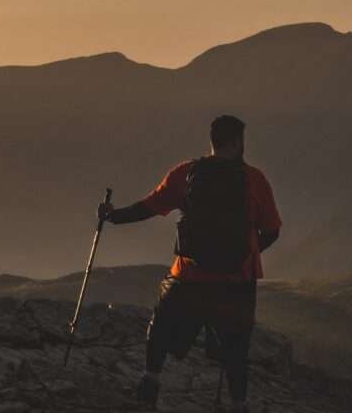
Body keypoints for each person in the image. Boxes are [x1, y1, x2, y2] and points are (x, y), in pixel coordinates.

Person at [98, 114, 282, 412]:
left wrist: (112, 216)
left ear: (213, 141)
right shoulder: (254, 180)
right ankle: (238, 405)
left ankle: (150, 383)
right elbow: (272, 230)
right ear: (238, 142)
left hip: (189, 276)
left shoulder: (187, 174)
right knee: (236, 349)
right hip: (237, 282)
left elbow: (148, 207)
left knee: (161, 327)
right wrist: (248, 253)